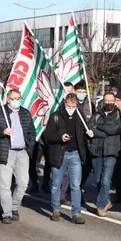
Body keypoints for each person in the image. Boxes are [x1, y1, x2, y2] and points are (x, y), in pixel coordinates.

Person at [44, 93, 92, 224]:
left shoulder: (80, 116)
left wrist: (90, 134)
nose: (71, 108)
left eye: (73, 106)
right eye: (68, 105)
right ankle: (55, 209)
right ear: (64, 103)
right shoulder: (56, 116)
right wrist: (60, 137)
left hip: (75, 154)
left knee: (76, 185)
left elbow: (85, 132)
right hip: (60, 153)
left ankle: (76, 213)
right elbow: (47, 135)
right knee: (56, 184)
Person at [0, 89, 36, 224]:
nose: (16, 101)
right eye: (13, 98)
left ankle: (14, 206)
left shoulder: (25, 113)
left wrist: (29, 147)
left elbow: (31, 131)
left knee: (22, 183)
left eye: (18, 98)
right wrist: (2, 131)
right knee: (5, 185)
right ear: (8, 99)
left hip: (22, 152)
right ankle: (6, 213)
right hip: (6, 152)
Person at [87, 92, 121, 217]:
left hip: (111, 152)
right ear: (103, 101)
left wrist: (99, 128)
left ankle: (100, 206)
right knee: (97, 180)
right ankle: (106, 200)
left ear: (115, 100)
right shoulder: (96, 115)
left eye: (111, 100)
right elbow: (90, 129)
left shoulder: (118, 115)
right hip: (97, 151)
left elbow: (115, 130)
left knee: (106, 180)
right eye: (106, 100)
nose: (109, 103)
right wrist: (103, 131)